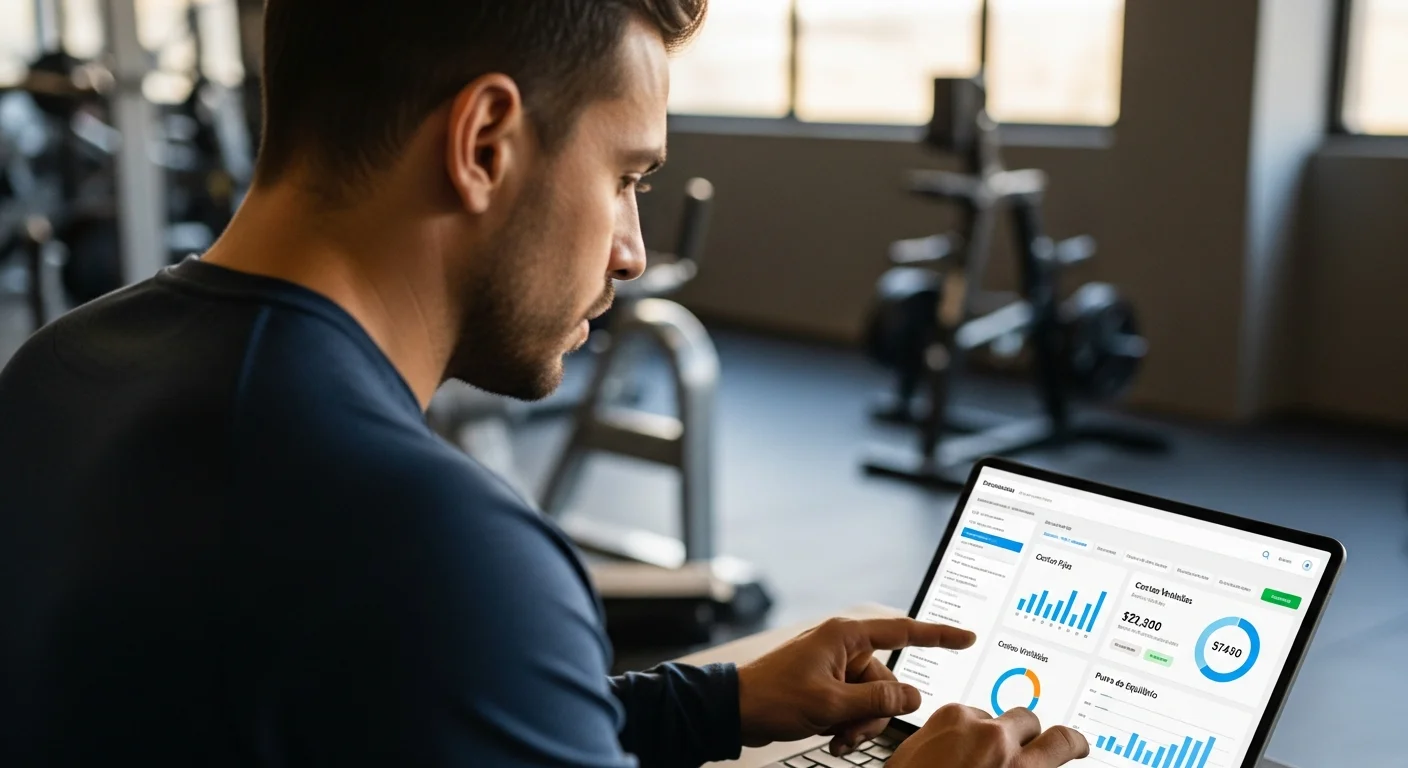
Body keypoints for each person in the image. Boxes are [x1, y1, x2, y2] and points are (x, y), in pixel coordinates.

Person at [0, 2, 1089, 767]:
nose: (629, 249)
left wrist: (715, 701)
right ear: (483, 140)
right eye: (625, 178)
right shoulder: (429, 546)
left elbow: (393, 719)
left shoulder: (57, 372)